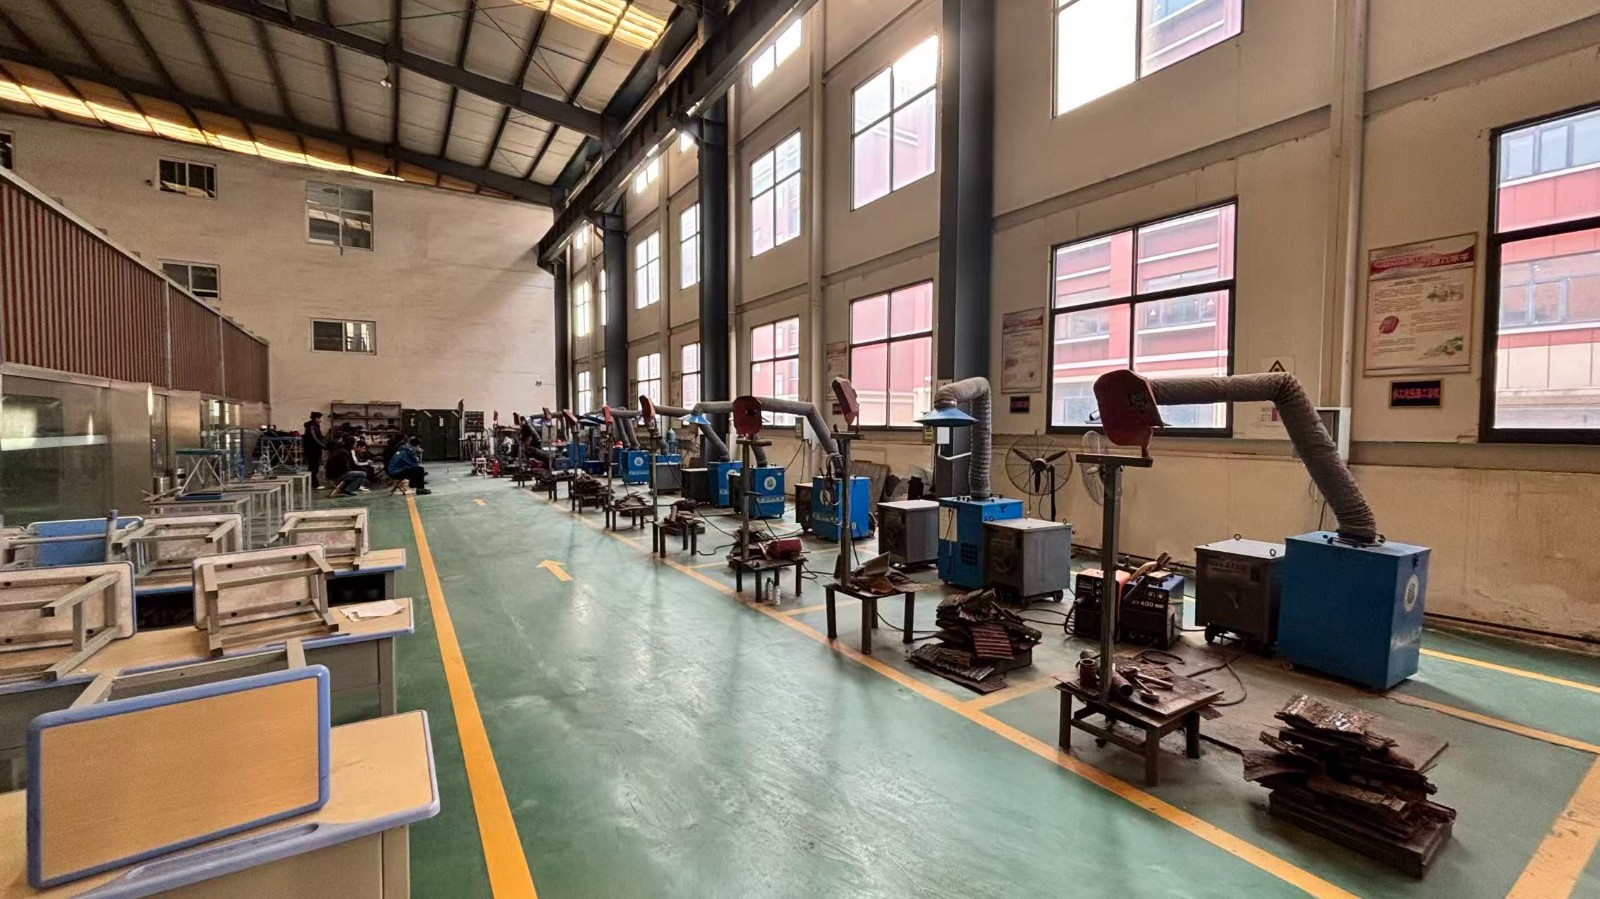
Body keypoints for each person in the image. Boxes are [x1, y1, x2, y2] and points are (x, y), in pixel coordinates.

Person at [302, 411, 327, 489]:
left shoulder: (314, 426)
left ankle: (313, 484)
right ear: (316, 418)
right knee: (313, 467)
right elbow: (315, 438)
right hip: (313, 449)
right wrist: (324, 446)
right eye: (320, 418)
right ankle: (314, 484)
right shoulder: (312, 426)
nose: (320, 420)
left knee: (314, 467)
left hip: (314, 448)